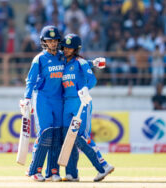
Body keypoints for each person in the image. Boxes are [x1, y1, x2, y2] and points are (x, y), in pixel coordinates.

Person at [60, 34, 114, 182]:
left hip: (81, 102)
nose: (66, 49)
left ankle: (103, 166)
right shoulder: (62, 62)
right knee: (68, 138)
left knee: (80, 136)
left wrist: (85, 88)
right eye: (65, 46)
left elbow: (92, 79)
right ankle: (71, 173)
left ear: (76, 49)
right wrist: (94, 62)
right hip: (66, 103)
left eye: (70, 48)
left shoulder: (81, 62)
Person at [21, 25, 64, 182]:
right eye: (49, 40)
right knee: (45, 134)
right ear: (44, 42)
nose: (52, 43)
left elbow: (78, 63)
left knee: (57, 136)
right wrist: (27, 98)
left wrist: (93, 63)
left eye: (55, 40)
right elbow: (30, 80)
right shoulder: (39, 59)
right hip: (43, 99)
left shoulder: (63, 57)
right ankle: (34, 170)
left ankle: (53, 171)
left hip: (59, 99)